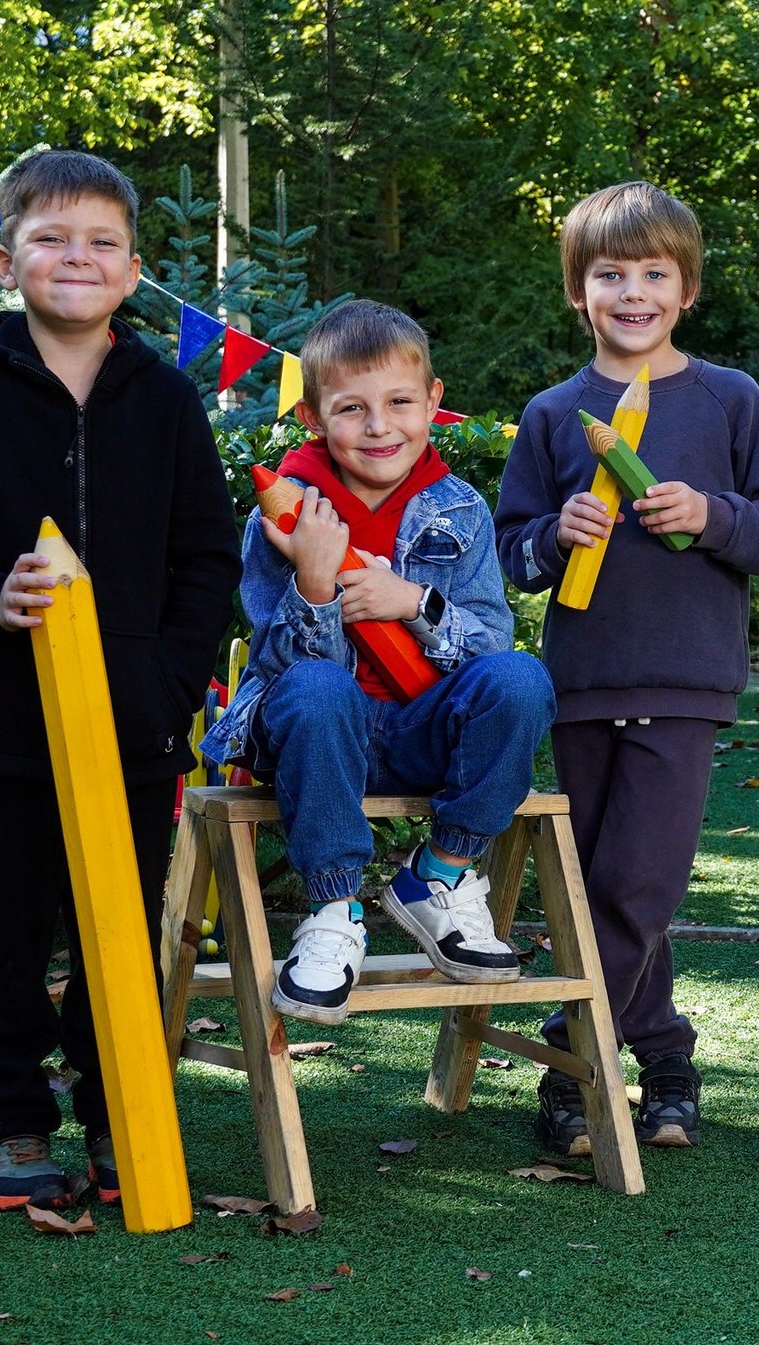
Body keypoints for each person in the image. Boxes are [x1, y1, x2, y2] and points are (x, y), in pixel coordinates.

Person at [0, 150, 240, 1212]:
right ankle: (4, 1120)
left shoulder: (168, 400)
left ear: (134, 272)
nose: (75, 257)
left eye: (101, 242)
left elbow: (206, 559)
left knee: (115, 931)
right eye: (50, 238)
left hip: (133, 727)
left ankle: (122, 1108)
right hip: (3, 725)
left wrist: (169, 677)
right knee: (1, 931)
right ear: (7, 261)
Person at [494, 180, 759, 1157]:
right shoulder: (554, 414)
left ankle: (567, 1054)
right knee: (611, 882)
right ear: (576, 291)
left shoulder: (730, 399)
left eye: (652, 273)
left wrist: (711, 516)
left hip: (685, 681)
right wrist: (555, 534)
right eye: (608, 274)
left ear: (686, 288)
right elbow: (507, 550)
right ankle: (666, 1058)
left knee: (640, 879)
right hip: (583, 685)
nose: (631, 291)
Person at [200, 300, 555, 1027]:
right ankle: (335, 912)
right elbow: (281, 667)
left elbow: (489, 636)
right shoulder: (283, 515)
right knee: (319, 688)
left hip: (428, 729)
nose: (378, 426)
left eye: (399, 402)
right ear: (313, 417)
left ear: (433, 402)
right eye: (352, 408)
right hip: (318, 738)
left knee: (523, 678)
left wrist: (414, 601)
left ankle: (442, 876)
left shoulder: (460, 509)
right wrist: (315, 585)